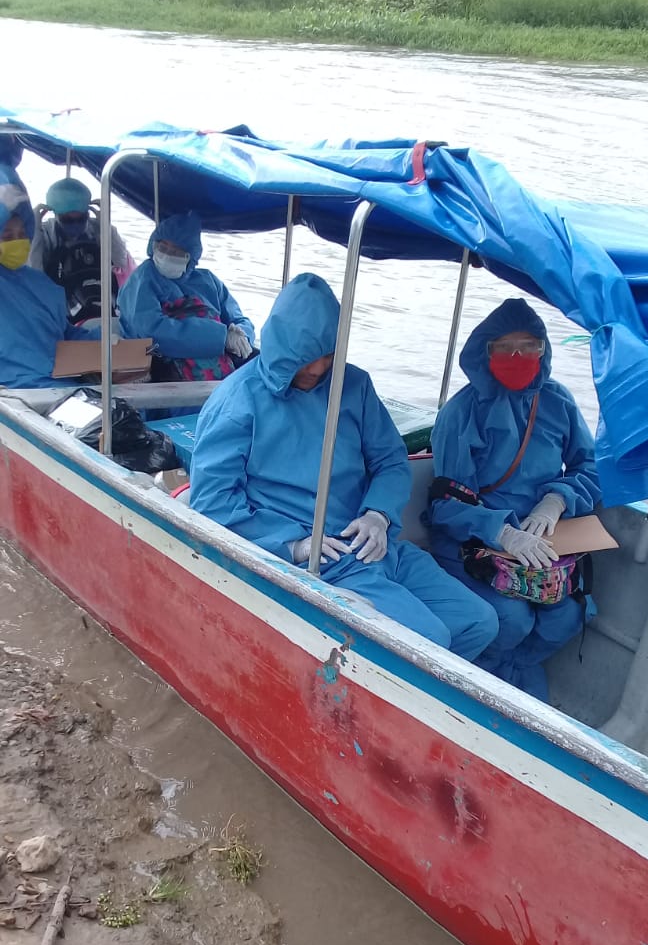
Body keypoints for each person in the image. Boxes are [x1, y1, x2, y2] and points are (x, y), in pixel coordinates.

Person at [190, 272, 498, 661]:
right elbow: (212, 507)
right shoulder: (238, 401)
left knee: (479, 621)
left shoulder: (354, 385)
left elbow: (390, 460)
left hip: (375, 545)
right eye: (305, 364)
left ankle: (406, 705)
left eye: (327, 357)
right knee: (430, 641)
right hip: (320, 559)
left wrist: (379, 515)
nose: (318, 371)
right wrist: (294, 546)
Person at [428, 297, 601, 701]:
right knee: (512, 619)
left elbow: (590, 467)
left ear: (545, 349)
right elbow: (446, 504)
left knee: (569, 616)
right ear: (484, 351)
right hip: (475, 541)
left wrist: (557, 499)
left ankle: (516, 674)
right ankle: (480, 680)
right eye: (505, 347)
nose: (518, 356)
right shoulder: (462, 412)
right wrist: (501, 532)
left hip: (545, 541)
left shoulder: (558, 401)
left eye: (529, 346)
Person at [119, 212, 255, 382]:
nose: (167, 254)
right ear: (153, 245)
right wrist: (220, 338)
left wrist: (242, 338)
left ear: (191, 257)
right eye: (162, 247)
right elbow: (150, 331)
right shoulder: (142, 280)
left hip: (221, 373)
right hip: (167, 373)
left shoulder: (208, 281)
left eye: (176, 252)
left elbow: (239, 319)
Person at [0, 170, 94, 390]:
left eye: (23, 234)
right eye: (7, 236)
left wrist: (103, 339)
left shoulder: (39, 284)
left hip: (59, 383)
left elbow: (61, 333)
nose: (18, 241)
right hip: (14, 391)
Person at [29, 177, 134, 326]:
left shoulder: (97, 229)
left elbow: (121, 261)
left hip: (101, 301)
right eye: (68, 220)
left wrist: (106, 225)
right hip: (62, 306)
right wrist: (34, 232)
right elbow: (34, 272)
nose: (76, 224)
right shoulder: (46, 234)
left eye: (81, 218)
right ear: (56, 214)